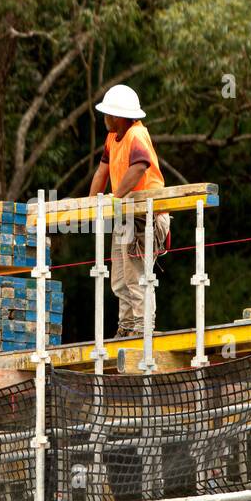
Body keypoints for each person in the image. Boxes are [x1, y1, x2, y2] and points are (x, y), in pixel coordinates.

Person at [88, 84, 170, 338]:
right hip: (127, 214)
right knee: (120, 278)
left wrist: (116, 196)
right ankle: (126, 326)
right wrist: (91, 203)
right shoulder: (113, 137)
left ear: (119, 116)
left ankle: (142, 327)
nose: (104, 119)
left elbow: (140, 166)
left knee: (136, 276)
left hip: (145, 215)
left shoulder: (136, 135)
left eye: (107, 114)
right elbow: (102, 170)